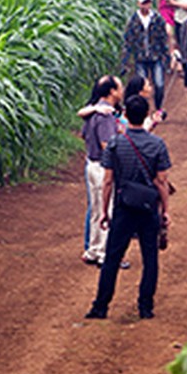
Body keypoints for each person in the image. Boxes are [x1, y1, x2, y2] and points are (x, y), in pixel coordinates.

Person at [85, 94, 171, 320]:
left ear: (125, 115)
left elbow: (108, 181)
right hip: (148, 207)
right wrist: (166, 211)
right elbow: (162, 182)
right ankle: (145, 307)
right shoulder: (157, 144)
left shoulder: (116, 143)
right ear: (145, 116)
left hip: (124, 206)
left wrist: (105, 211)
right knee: (150, 257)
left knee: (113, 257)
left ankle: (101, 306)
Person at [80, 76, 123, 266]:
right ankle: (105, 252)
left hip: (91, 163)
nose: (122, 90)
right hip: (102, 167)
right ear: (112, 91)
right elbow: (107, 145)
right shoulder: (105, 115)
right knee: (108, 208)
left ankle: (93, 249)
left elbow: (84, 135)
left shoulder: (93, 110)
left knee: (97, 209)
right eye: (119, 87)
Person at [120, 0, 171, 116]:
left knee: (159, 84)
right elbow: (128, 41)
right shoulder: (133, 20)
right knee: (141, 87)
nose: (146, 5)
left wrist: (167, 56)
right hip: (140, 58)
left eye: (148, 2)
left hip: (156, 56)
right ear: (138, 3)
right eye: (143, 3)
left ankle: (158, 108)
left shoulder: (157, 19)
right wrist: (125, 61)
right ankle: (143, 110)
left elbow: (163, 38)